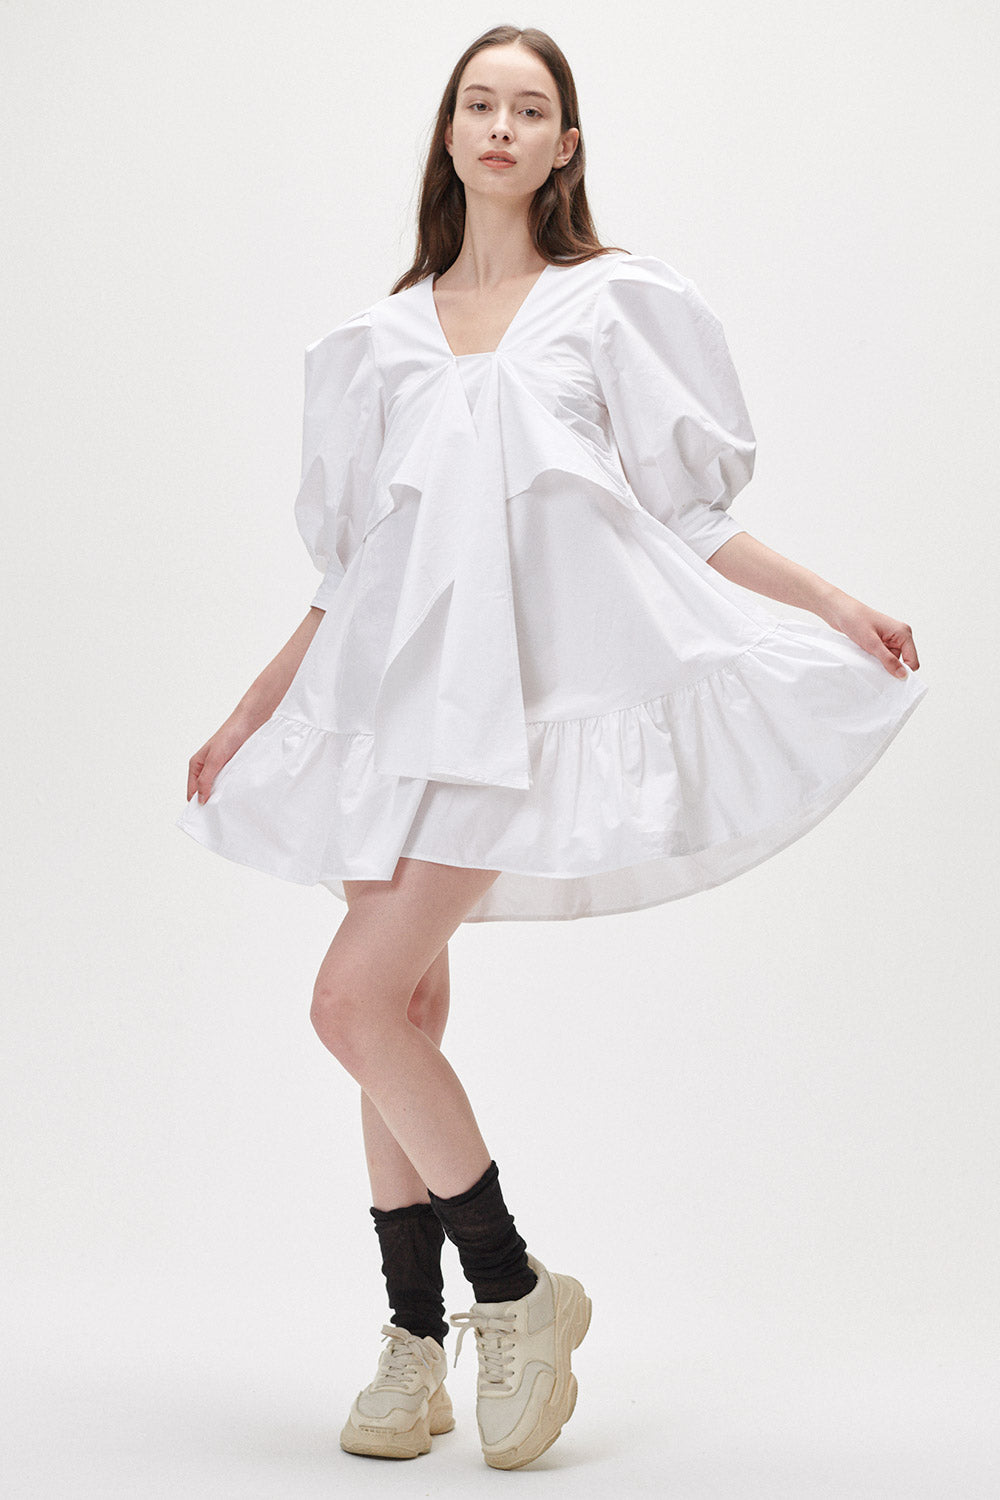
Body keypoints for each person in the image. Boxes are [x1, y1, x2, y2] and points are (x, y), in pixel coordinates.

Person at [176, 23, 927, 1472]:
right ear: (450, 134)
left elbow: (690, 517)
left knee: (348, 1002)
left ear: (564, 145)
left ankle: (516, 1292)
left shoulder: (611, 304)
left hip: (507, 722)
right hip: (388, 713)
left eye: (531, 109)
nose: (503, 127)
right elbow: (352, 574)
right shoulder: (377, 341)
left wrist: (835, 604)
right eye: (481, 104)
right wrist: (253, 711)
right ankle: (413, 1342)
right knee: (401, 1016)